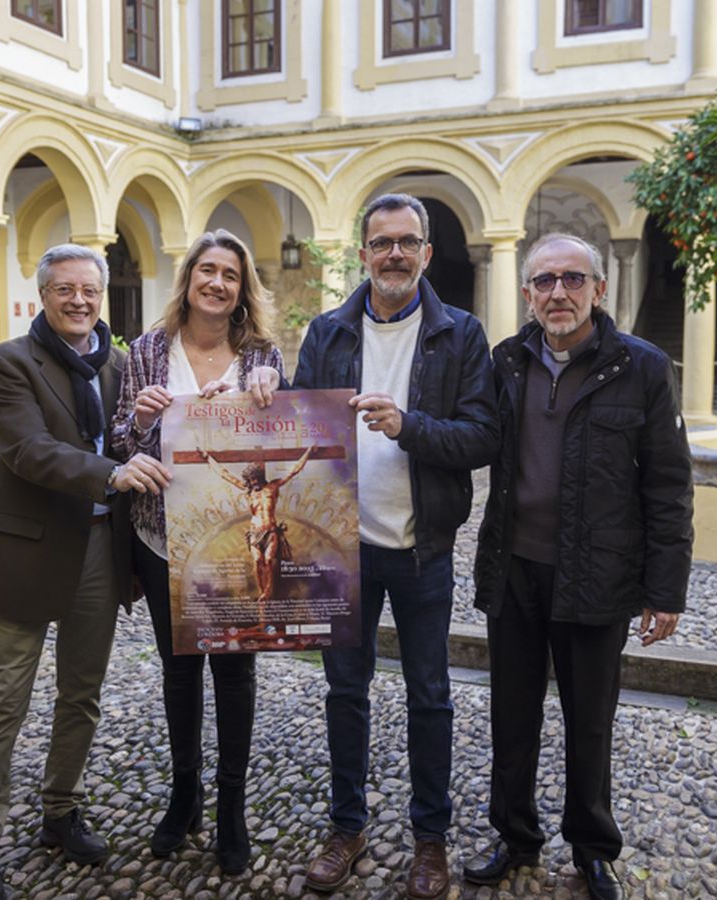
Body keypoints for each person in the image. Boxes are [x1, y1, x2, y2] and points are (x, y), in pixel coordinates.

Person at [462, 233, 694, 900]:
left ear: (599, 289)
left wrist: (664, 588)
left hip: (597, 575)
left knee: (590, 720)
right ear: (528, 293)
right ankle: (515, 836)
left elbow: (669, 484)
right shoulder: (506, 362)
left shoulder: (642, 367)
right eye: (543, 281)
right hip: (514, 571)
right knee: (512, 715)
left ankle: (593, 848)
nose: (556, 292)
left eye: (571, 279)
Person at [293, 193, 499, 899]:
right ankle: (345, 827)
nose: (394, 255)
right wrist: (266, 398)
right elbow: (295, 429)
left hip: (422, 546)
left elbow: (480, 438)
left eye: (407, 242)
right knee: (344, 691)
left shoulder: (461, 334)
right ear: (363, 254)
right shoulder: (326, 332)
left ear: (427, 254)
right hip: (339, 548)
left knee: (430, 695)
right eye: (382, 243)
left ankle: (430, 841)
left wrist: (407, 425)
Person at [0, 243, 171, 900]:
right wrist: (110, 471)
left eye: (90, 291)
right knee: (3, 700)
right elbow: (28, 450)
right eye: (65, 290)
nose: (79, 301)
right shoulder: (6, 362)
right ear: (44, 294)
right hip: (32, 548)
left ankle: (60, 810)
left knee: (82, 695)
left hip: (102, 550)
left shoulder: (119, 365)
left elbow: (135, 442)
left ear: (101, 297)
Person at [108, 229, 284, 875]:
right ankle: (185, 794)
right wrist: (145, 421)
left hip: (237, 536)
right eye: (207, 270)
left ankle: (231, 807)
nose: (217, 282)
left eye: (230, 275)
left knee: (235, 669)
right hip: (163, 534)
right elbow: (121, 446)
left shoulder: (261, 354)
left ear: (242, 289)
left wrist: (271, 390)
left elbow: (279, 437)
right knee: (180, 668)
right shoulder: (149, 352)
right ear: (188, 278)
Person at [202, 445, 317, 616]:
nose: (254, 482)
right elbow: (225, 475)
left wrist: (308, 453)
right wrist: (207, 458)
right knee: (257, 562)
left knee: (269, 560)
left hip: (271, 531)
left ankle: (267, 592)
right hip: (255, 532)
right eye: (251, 480)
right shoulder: (248, 492)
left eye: (256, 479)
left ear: (260, 477)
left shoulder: (272, 487)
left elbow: (293, 471)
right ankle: (262, 593)